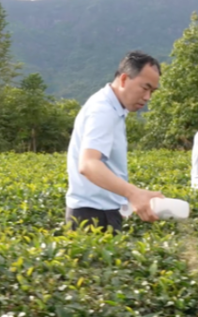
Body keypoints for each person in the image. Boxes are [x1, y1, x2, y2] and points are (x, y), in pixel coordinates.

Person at [65, 51, 164, 232]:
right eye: (145, 88)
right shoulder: (103, 110)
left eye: (152, 91)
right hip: (92, 216)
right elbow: (88, 164)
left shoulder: (113, 108)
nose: (148, 97)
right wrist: (133, 194)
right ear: (124, 79)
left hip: (101, 212)